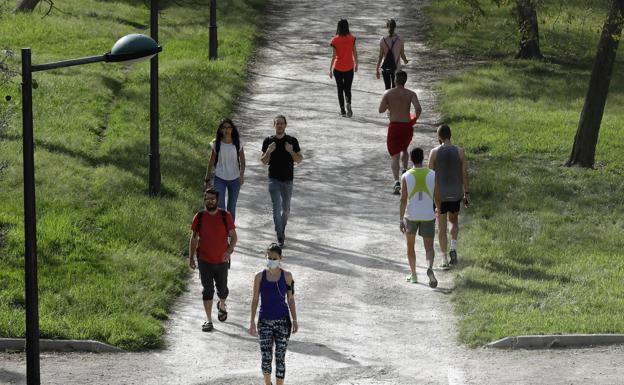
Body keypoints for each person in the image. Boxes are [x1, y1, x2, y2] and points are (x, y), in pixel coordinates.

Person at [249, 243, 298, 385]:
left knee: (280, 357)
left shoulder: (287, 276)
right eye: (269, 257)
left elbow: (291, 299)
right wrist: (252, 321)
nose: (271, 260)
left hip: (283, 322)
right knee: (266, 357)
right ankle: (267, 383)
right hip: (264, 321)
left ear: (280, 258)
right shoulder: (259, 276)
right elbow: (255, 299)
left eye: (274, 258)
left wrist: (294, 320)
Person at [189, 187, 237, 332]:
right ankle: (209, 320)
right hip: (204, 260)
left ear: (218, 201)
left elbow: (234, 237)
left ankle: (222, 305)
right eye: (207, 199)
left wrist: (228, 252)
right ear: (204, 200)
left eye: (212, 199)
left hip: (221, 261)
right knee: (207, 290)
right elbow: (193, 238)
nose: (209, 201)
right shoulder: (200, 217)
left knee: (222, 290)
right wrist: (191, 257)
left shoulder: (225, 216)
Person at [428, 124, 470, 268]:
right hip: (456, 192)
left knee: (441, 226)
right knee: (453, 221)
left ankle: (444, 259)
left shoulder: (434, 153)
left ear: (439, 137)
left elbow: (429, 176)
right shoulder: (460, 152)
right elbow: (464, 174)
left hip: (440, 195)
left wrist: (429, 197)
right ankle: (453, 247)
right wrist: (466, 193)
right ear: (450, 135)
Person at [260, 115, 303, 247]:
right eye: (277, 123)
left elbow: (299, 160)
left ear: (285, 125)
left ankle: (281, 228)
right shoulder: (268, 141)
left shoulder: (292, 141)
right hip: (273, 180)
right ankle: (279, 235)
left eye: (281, 123)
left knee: (286, 210)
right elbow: (263, 161)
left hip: (288, 180)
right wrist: (268, 151)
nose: (279, 125)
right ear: (274, 125)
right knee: (276, 208)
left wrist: (291, 151)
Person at [399, 147, 439, 287]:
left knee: (410, 246)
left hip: (412, 216)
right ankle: (429, 268)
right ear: (423, 158)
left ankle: (414, 275)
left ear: (411, 159)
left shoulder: (406, 176)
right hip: (428, 215)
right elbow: (437, 196)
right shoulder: (433, 174)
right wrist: (438, 209)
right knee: (429, 248)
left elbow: (403, 199)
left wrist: (400, 219)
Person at [378, 70, 422, 195]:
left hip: (394, 126)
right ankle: (404, 170)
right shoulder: (411, 94)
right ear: (405, 80)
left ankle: (397, 181)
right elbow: (418, 108)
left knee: (394, 155)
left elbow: (380, 110)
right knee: (404, 149)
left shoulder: (388, 93)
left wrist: (389, 106)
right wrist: (414, 118)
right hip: (407, 126)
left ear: (395, 80)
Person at [204, 118, 246, 221]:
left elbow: (243, 160)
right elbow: (210, 162)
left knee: (231, 208)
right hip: (220, 178)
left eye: (229, 127)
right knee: (220, 207)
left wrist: (241, 175)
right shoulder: (216, 143)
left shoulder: (238, 142)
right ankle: (223, 233)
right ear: (220, 130)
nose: (226, 130)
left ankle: (230, 232)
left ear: (232, 129)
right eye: (224, 128)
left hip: (235, 179)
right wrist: (207, 179)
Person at [329, 19, 358, 117]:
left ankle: (342, 110)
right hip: (349, 67)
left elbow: (333, 55)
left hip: (337, 68)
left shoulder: (334, 40)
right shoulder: (352, 38)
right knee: (348, 89)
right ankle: (348, 102)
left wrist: (330, 69)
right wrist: (357, 63)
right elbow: (354, 52)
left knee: (339, 89)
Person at [376, 19, 409, 90]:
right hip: (396, 68)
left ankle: (387, 100)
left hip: (385, 67)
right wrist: (405, 60)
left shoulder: (382, 40)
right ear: (395, 27)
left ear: (387, 27)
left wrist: (377, 69)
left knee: (387, 88)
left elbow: (380, 56)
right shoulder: (400, 40)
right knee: (395, 89)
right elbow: (402, 54)